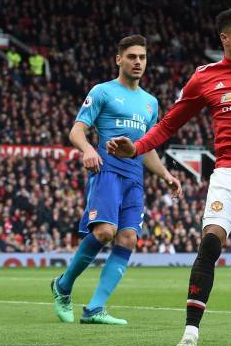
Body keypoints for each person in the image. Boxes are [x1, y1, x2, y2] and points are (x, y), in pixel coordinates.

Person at [106, 8, 231, 346]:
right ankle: (189, 335)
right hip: (228, 173)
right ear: (225, 38)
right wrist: (136, 147)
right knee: (210, 243)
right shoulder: (204, 77)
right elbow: (169, 124)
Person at [50, 35, 182, 325]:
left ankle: (95, 309)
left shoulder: (150, 103)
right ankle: (62, 286)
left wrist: (166, 175)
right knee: (105, 232)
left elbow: (146, 149)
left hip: (134, 178)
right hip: (107, 171)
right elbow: (77, 130)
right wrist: (87, 150)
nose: (137, 62)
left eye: (142, 57)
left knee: (128, 237)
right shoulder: (102, 92)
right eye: (132, 56)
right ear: (118, 59)